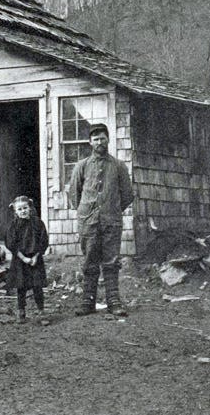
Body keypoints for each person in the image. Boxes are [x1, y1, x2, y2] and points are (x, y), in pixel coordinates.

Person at [68, 123, 133, 317]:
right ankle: (88, 301)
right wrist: (87, 212)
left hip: (111, 221)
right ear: (90, 142)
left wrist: (111, 210)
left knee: (111, 261)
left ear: (108, 140)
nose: (99, 142)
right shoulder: (82, 166)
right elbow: (74, 194)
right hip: (88, 222)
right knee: (89, 260)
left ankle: (113, 300)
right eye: (95, 139)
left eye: (102, 138)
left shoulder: (119, 166)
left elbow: (128, 194)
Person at [5, 196, 49, 323]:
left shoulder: (38, 223)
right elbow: (11, 244)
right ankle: (21, 312)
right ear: (15, 211)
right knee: (21, 287)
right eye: (19, 209)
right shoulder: (13, 226)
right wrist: (23, 258)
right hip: (20, 260)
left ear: (30, 208)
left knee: (37, 286)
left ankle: (41, 312)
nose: (23, 211)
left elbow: (43, 241)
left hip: (36, 260)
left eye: (25, 208)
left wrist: (36, 256)